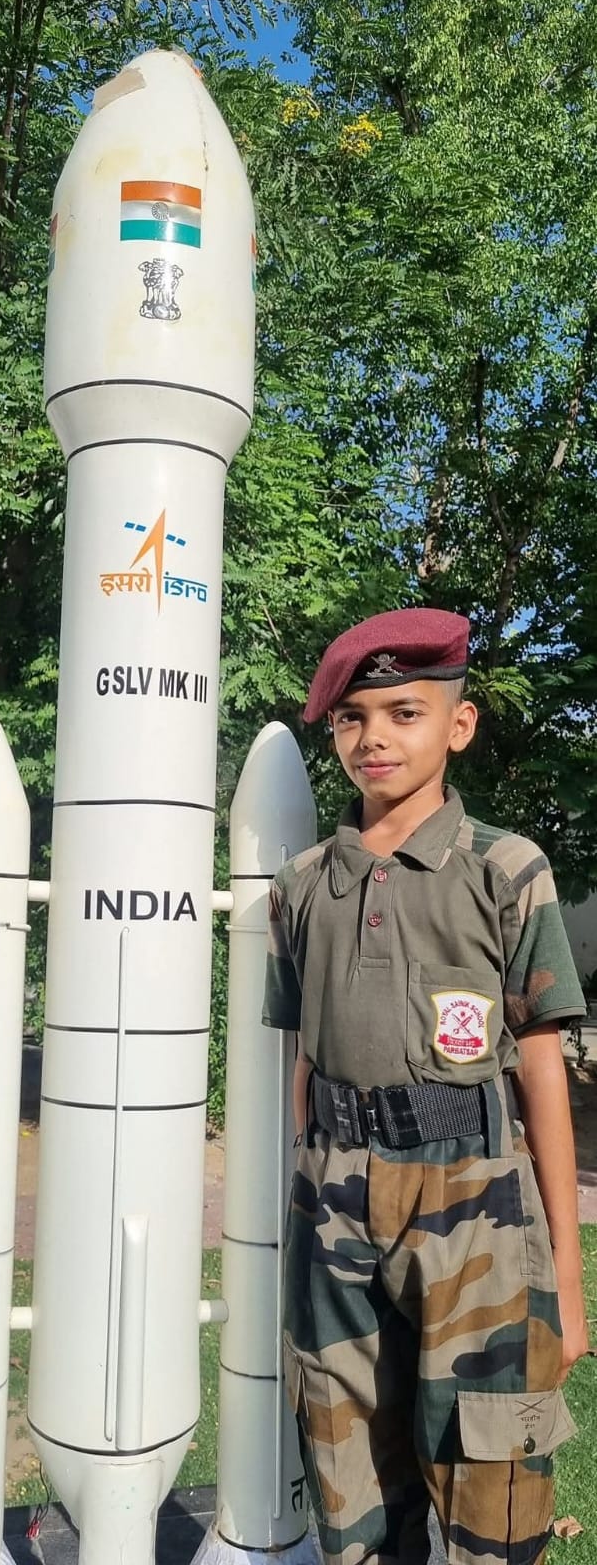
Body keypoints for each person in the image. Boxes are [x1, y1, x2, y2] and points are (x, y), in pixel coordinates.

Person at [262, 607, 588, 1565]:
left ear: (459, 724)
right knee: (350, 1471)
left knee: (493, 1481)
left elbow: (540, 1067)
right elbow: (306, 1059)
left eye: (405, 712)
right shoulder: (300, 885)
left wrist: (568, 1283)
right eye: (352, 718)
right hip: (332, 1201)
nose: (375, 737)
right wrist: (308, 1194)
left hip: (474, 1199)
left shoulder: (504, 869)